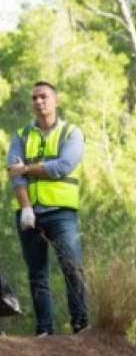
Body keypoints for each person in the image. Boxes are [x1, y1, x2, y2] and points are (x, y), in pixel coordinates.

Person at [6, 81, 88, 336]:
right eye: (34, 98)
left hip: (61, 212)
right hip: (29, 212)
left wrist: (28, 168)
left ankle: (81, 326)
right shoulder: (21, 136)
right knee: (37, 275)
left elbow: (62, 166)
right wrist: (26, 208)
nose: (39, 102)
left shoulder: (71, 133)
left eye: (44, 97)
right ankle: (45, 331)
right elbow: (14, 173)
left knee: (73, 269)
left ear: (56, 100)